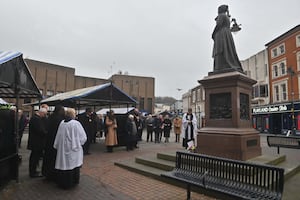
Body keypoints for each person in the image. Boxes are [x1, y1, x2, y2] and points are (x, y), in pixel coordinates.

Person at [53, 108, 87, 189]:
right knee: (72, 165)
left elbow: (58, 136)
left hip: (63, 149)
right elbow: (83, 137)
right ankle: (72, 182)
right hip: (73, 149)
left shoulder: (62, 123)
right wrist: (79, 143)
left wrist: (57, 145)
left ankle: (63, 183)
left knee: (64, 165)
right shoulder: (76, 123)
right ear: (73, 114)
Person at [212, 4, 243, 73]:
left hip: (221, 34)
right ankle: (227, 64)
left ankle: (220, 66)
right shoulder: (226, 16)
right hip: (227, 34)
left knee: (220, 49)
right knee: (228, 49)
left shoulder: (221, 15)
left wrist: (213, 34)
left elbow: (218, 25)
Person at [42, 105, 65, 181]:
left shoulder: (50, 117)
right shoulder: (59, 119)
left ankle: (47, 174)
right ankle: (53, 175)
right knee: (53, 159)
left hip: (48, 141)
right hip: (55, 141)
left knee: (48, 158)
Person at [27, 107, 48, 178]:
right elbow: (40, 130)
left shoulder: (35, 118)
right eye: (44, 114)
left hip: (35, 142)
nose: (44, 116)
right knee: (34, 158)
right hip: (36, 143)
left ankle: (34, 171)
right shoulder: (36, 119)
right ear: (41, 113)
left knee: (35, 158)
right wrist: (47, 133)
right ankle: (33, 172)